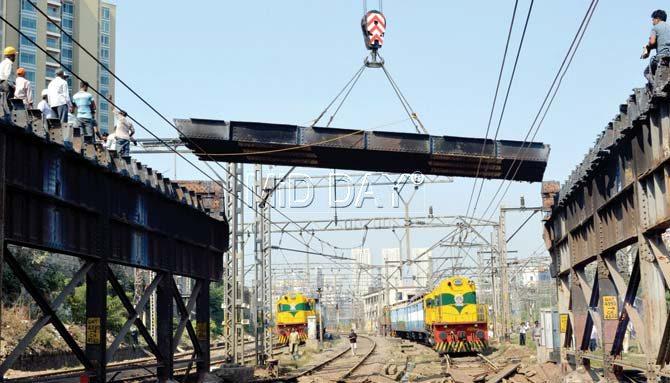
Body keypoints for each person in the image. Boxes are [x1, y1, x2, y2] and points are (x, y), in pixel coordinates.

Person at [642, 10, 670, 84]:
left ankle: (655, 86)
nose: (652, 22)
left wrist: (648, 47)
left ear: (657, 18)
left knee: (646, 72)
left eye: (653, 20)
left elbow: (652, 42)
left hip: (661, 57)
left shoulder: (656, 28)